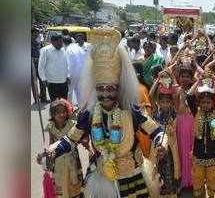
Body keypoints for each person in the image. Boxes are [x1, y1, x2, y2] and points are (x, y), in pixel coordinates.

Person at [37, 28, 168, 198]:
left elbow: (157, 131)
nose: (105, 94)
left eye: (110, 89)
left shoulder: (130, 110)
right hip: (101, 177)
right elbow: (70, 139)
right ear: (95, 89)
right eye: (100, 89)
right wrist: (52, 151)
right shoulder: (89, 113)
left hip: (132, 176)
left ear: (118, 88)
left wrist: (162, 144)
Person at [186, 72, 215, 198]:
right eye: (203, 102)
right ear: (199, 103)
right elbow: (189, 96)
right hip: (198, 153)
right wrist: (198, 80)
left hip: (213, 153)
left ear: (213, 103)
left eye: (208, 102)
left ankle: (210, 194)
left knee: (213, 178)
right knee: (197, 179)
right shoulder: (196, 112)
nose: (205, 105)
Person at [37, 99, 84, 198]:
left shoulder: (72, 124)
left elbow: (77, 139)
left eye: (64, 112)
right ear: (53, 115)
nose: (62, 115)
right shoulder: (51, 127)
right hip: (58, 164)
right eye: (58, 112)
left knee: (75, 188)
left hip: (73, 162)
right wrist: (43, 156)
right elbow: (50, 145)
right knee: (62, 191)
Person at [150, 74, 181, 197]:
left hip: (170, 147)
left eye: (167, 102)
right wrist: (158, 81)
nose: (165, 104)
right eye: (162, 102)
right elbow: (151, 95)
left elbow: (176, 94)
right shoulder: (155, 111)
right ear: (159, 102)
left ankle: (170, 191)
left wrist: (172, 79)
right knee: (157, 168)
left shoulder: (173, 111)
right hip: (157, 146)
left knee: (169, 168)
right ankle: (158, 191)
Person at [38, 34, 71, 101]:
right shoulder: (45, 50)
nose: (62, 44)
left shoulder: (64, 49)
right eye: (60, 42)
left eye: (62, 42)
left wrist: (68, 76)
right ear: (53, 42)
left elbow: (67, 64)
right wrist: (43, 79)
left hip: (63, 81)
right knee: (55, 103)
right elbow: (41, 66)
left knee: (64, 102)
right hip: (52, 82)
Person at [66, 34, 91, 106]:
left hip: (84, 73)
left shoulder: (89, 46)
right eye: (78, 39)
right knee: (70, 91)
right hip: (73, 73)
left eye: (81, 38)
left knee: (82, 91)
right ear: (76, 39)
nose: (79, 40)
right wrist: (67, 74)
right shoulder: (71, 47)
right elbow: (67, 61)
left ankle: (81, 106)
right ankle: (69, 106)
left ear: (84, 39)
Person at [31, 27, 48, 103]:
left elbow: (42, 52)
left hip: (40, 65)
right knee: (34, 83)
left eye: (37, 33)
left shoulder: (39, 43)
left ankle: (43, 98)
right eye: (34, 33)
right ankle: (36, 99)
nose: (36, 35)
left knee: (43, 81)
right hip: (31, 65)